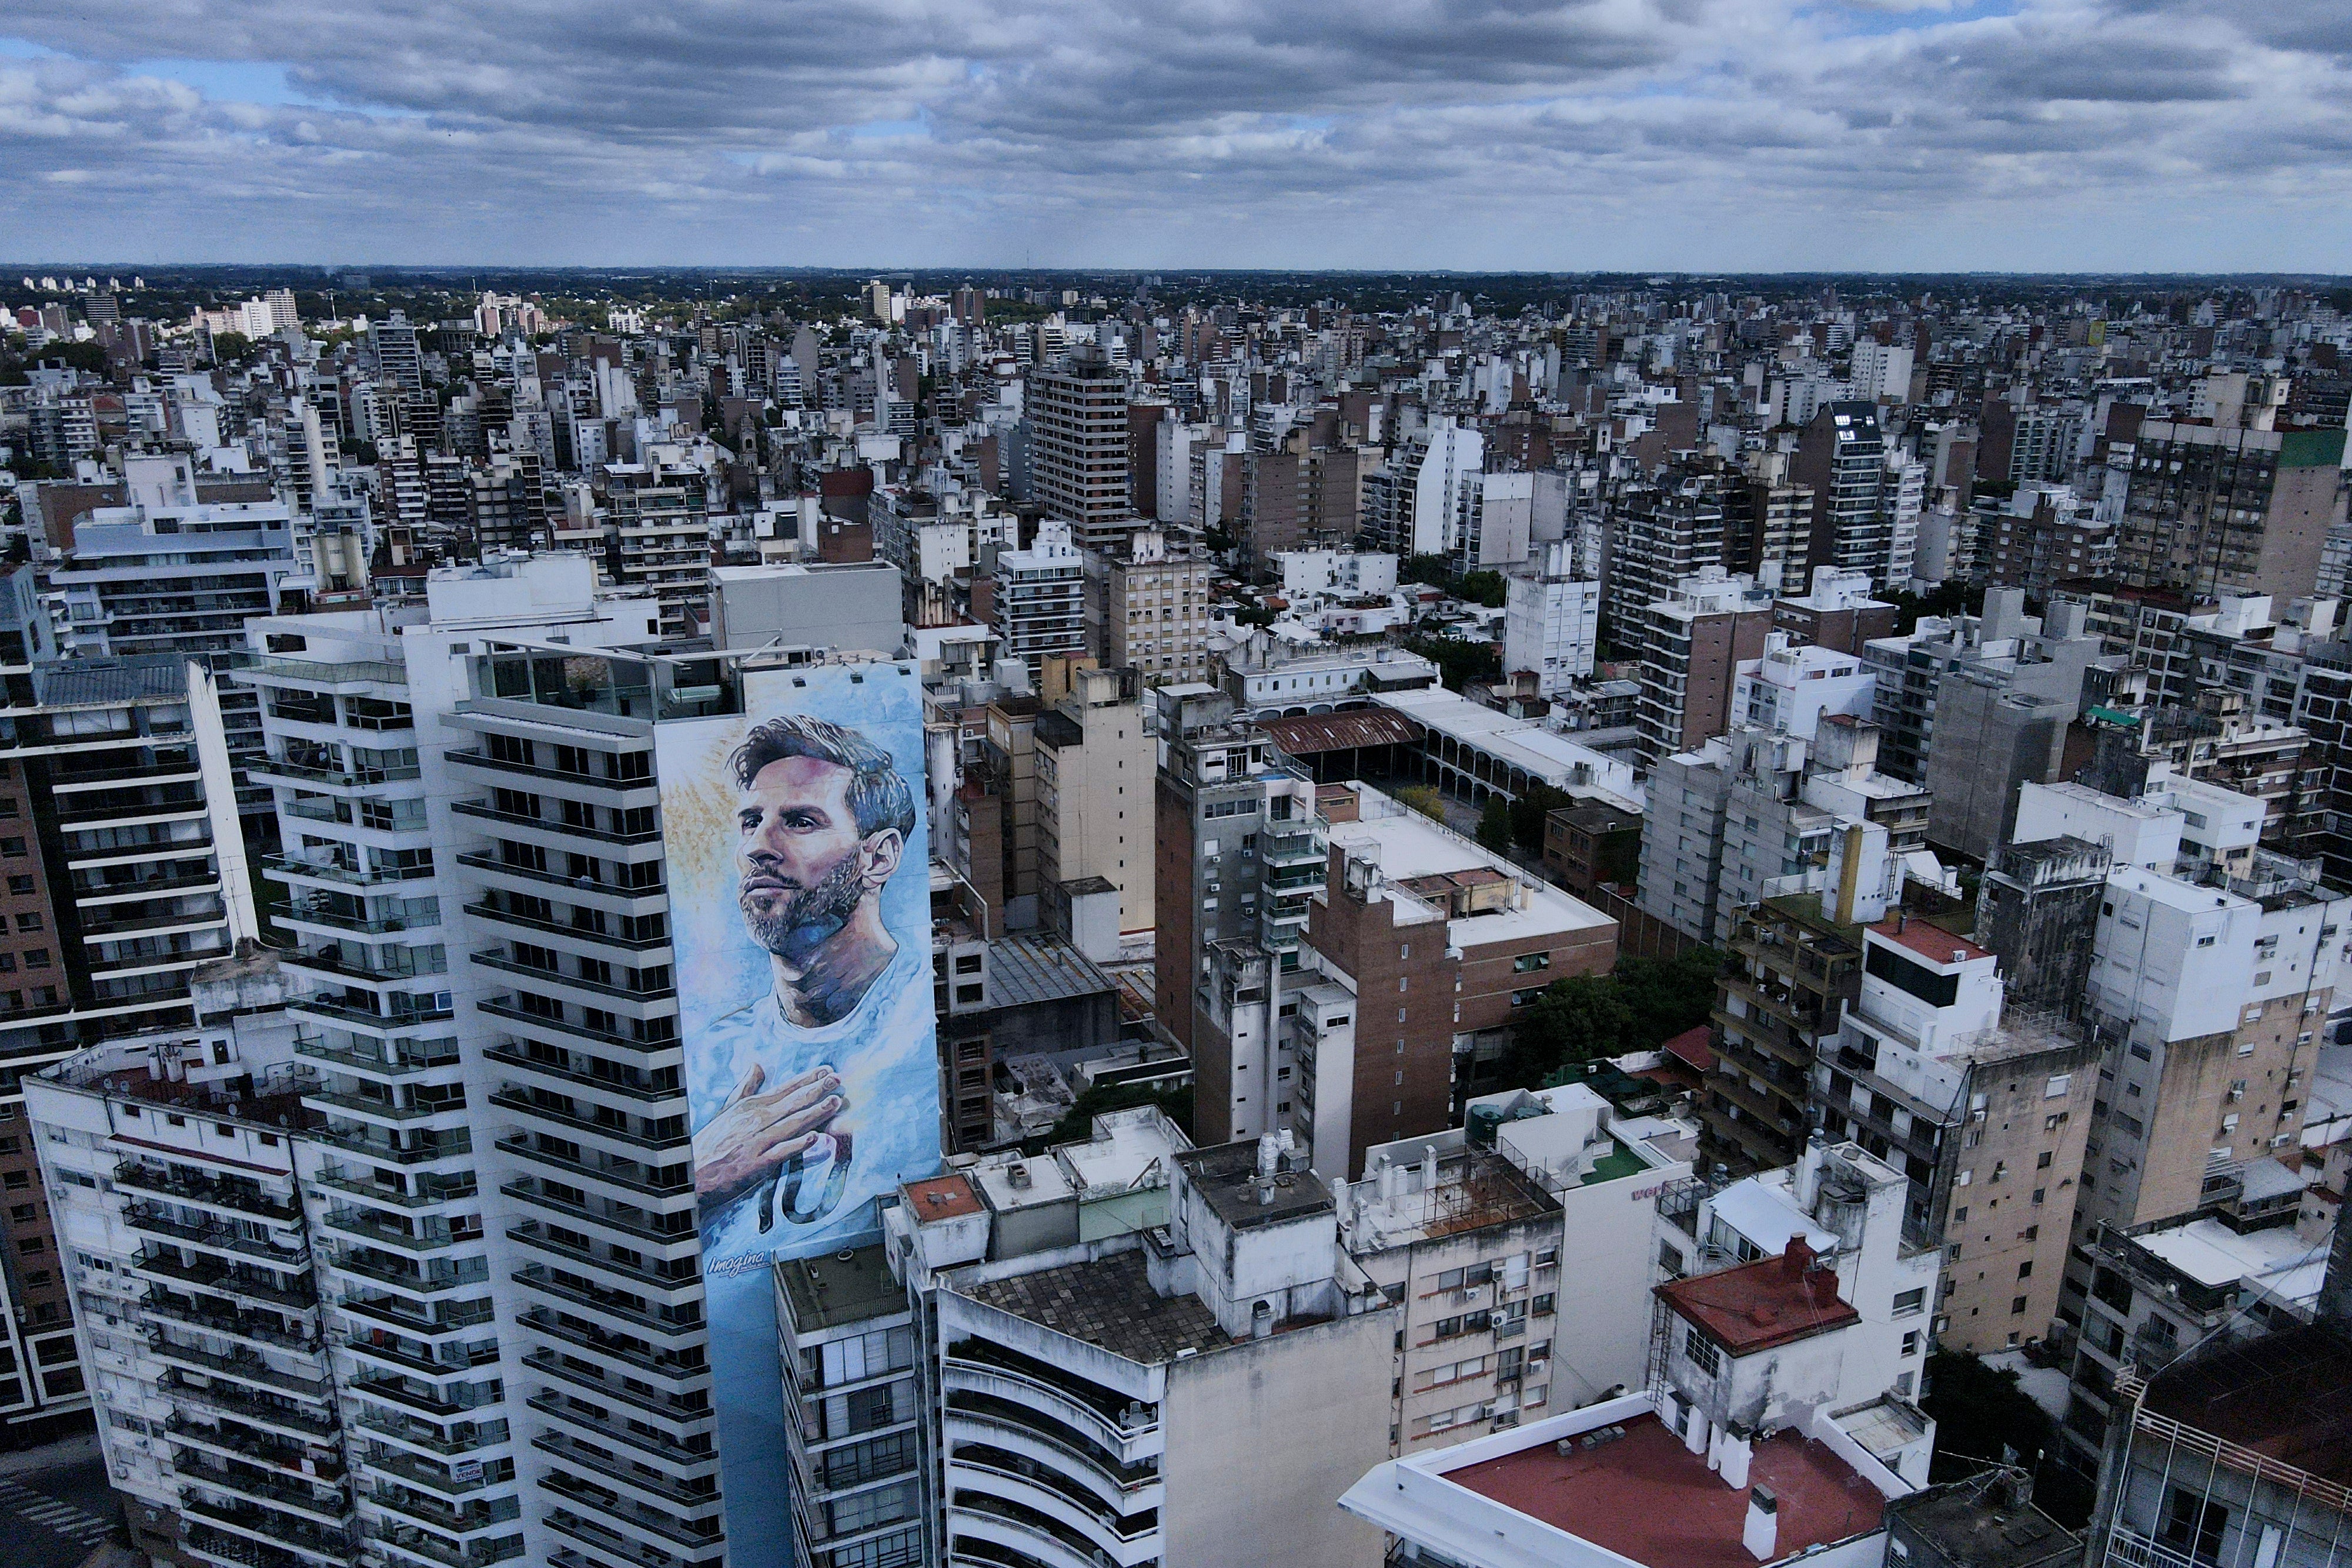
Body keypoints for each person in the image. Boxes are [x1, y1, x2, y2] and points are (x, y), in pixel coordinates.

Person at [690, 713, 932, 1255]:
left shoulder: (923, 1026)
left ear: (880, 856)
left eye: (800, 821)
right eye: (750, 822)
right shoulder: (706, 1056)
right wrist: (699, 1175)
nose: (759, 846)